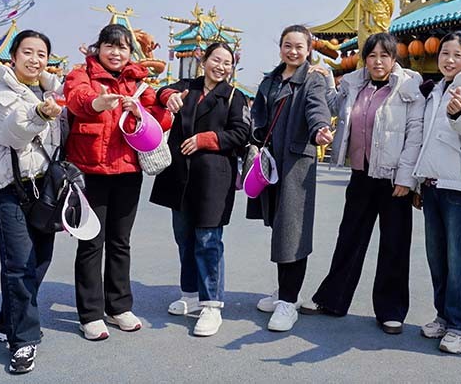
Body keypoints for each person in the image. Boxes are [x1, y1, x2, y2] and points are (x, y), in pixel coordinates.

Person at [299, 32, 425, 335]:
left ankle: (391, 310)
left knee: (394, 245)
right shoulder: (355, 84)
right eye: (372, 56)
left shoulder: (409, 87)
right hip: (361, 174)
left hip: (394, 180)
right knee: (349, 239)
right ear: (364, 59)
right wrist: (326, 76)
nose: (378, 61)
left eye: (384, 56)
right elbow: (333, 107)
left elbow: (414, 135)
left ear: (394, 59)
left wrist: (406, 179)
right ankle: (333, 300)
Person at [64, 24, 172, 341]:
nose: (116, 53)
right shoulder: (82, 74)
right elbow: (76, 99)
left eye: (123, 47)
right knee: (91, 242)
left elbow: (161, 118)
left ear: (130, 52)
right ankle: (90, 314)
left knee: (120, 241)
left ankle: (119, 307)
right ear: (98, 48)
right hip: (90, 172)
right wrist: (97, 103)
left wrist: (148, 107)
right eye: (110, 46)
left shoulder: (137, 82)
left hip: (127, 172)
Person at [0, 30, 63, 374]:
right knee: (19, 263)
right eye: (28, 52)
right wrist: (39, 112)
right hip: (8, 186)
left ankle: (7, 320)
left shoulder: (52, 91)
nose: (35, 60)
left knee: (40, 259)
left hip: (42, 187)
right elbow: (13, 133)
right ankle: (23, 341)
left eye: (42, 54)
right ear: (14, 56)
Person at [150, 42, 250, 337]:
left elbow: (241, 133)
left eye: (227, 63)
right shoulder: (186, 87)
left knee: (208, 240)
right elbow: (160, 92)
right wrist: (168, 97)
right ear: (203, 60)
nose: (221, 67)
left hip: (213, 178)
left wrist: (206, 139)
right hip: (179, 175)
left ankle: (211, 304)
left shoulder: (234, 96)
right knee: (184, 237)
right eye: (216, 60)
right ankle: (191, 294)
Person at [248, 24, 333, 332]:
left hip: (296, 163)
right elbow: (257, 116)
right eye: (288, 45)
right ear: (280, 47)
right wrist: (254, 137)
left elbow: (316, 109)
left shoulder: (312, 79)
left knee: (292, 231)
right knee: (279, 226)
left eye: (299, 46)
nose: (293, 51)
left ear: (309, 49)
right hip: (271, 162)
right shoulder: (270, 80)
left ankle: (288, 300)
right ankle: (285, 291)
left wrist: (320, 129)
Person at [411, 31, 461, 353]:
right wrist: (418, 181)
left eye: (457, 55)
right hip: (433, 186)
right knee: (438, 258)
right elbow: (425, 140)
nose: (449, 59)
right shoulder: (436, 90)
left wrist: (459, 112)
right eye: (445, 53)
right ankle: (444, 316)